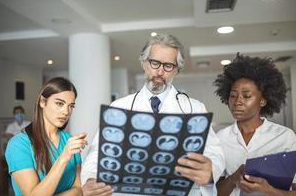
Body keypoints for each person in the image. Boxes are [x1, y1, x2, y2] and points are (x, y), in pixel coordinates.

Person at [81, 34, 225, 196]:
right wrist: (91, 179)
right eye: (155, 63)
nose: (160, 71)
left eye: (168, 65)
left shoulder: (195, 108)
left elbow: (214, 153)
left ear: (176, 70)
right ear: (144, 63)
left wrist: (210, 171)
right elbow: (97, 153)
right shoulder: (119, 107)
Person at [214, 54, 296, 196]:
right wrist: (233, 178)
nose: (237, 101)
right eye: (233, 95)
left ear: (263, 100)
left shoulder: (285, 137)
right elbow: (213, 193)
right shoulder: (220, 138)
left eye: (246, 96)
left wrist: (268, 190)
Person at [5, 77, 88, 196]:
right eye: (59, 103)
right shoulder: (18, 145)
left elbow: (79, 189)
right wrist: (63, 157)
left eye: (71, 106)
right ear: (42, 102)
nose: (66, 112)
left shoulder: (70, 141)